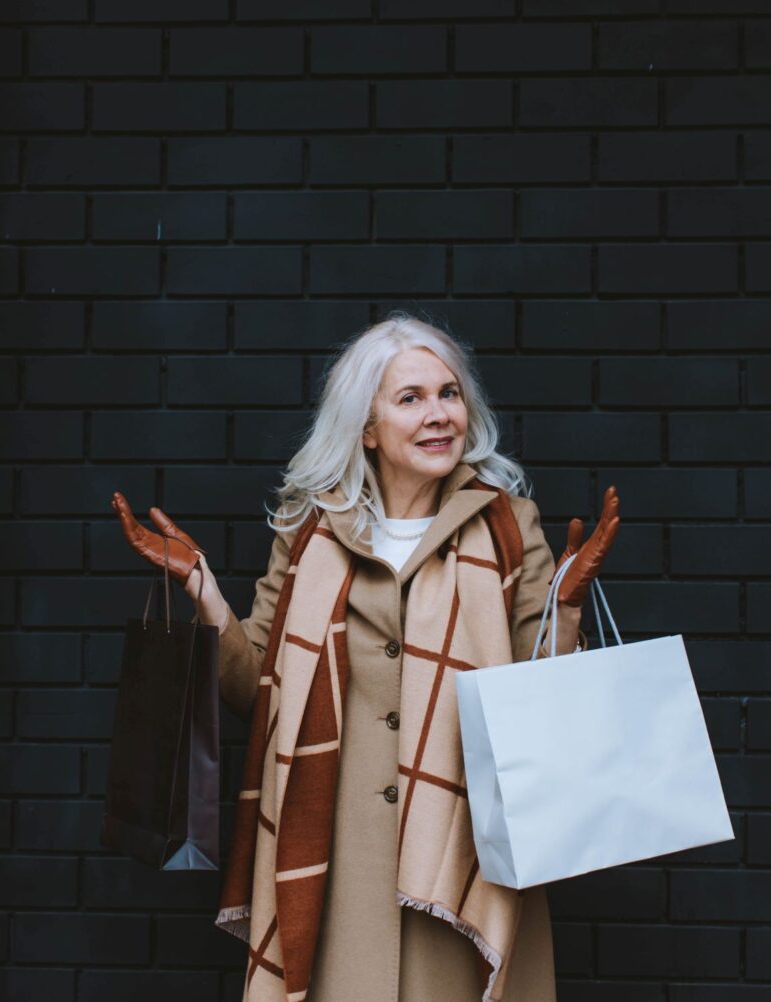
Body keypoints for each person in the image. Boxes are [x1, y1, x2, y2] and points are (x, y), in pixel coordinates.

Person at [112, 311, 620, 1002]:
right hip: (334, 857)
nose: (438, 414)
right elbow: (256, 686)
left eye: (448, 393)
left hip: (461, 856)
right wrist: (202, 588)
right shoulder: (309, 531)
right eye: (410, 398)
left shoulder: (507, 524)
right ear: (367, 428)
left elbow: (543, 696)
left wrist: (563, 609)